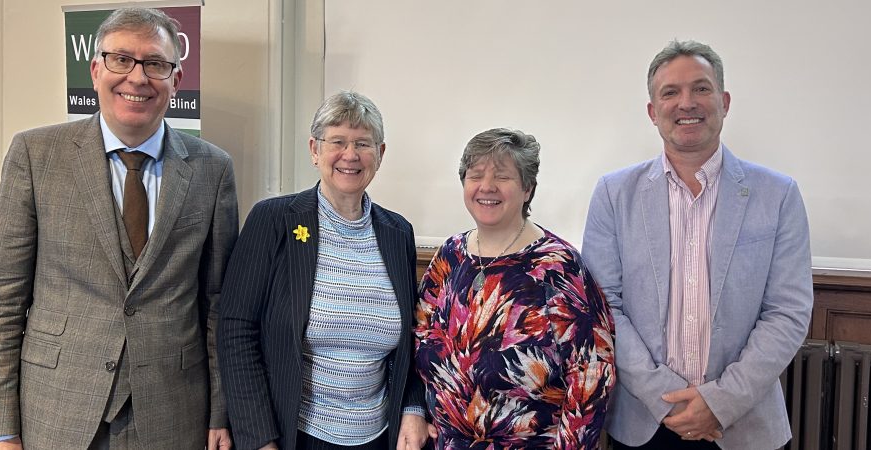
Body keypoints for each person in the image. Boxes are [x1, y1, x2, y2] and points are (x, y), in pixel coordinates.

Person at [0, 7, 236, 449]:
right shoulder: (36, 155)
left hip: (173, 414)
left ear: (176, 79)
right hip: (58, 409)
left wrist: (222, 412)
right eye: (120, 60)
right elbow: (1, 298)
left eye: (155, 64)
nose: (137, 77)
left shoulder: (213, 168)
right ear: (95, 70)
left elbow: (217, 304)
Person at [582, 40, 813, 450]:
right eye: (670, 92)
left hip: (743, 426)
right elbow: (605, 307)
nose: (686, 102)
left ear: (724, 101)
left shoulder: (778, 195)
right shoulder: (614, 194)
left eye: (701, 89)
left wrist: (719, 402)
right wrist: (663, 398)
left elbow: (788, 311)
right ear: (653, 112)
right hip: (644, 423)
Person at [217, 91, 428, 450]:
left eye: (363, 143)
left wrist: (413, 406)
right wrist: (259, 438)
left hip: (380, 436)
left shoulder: (398, 233)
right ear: (315, 150)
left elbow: (413, 339)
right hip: (294, 435)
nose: (350, 155)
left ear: (380, 154)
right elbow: (236, 330)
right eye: (337, 142)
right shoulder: (274, 220)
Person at [414, 128, 616, 449]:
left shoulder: (558, 265)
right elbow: (421, 338)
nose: (487, 187)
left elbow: (592, 373)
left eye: (503, 177)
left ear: (527, 189)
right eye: (475, 175)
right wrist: (420, 411)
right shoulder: (450, 255)